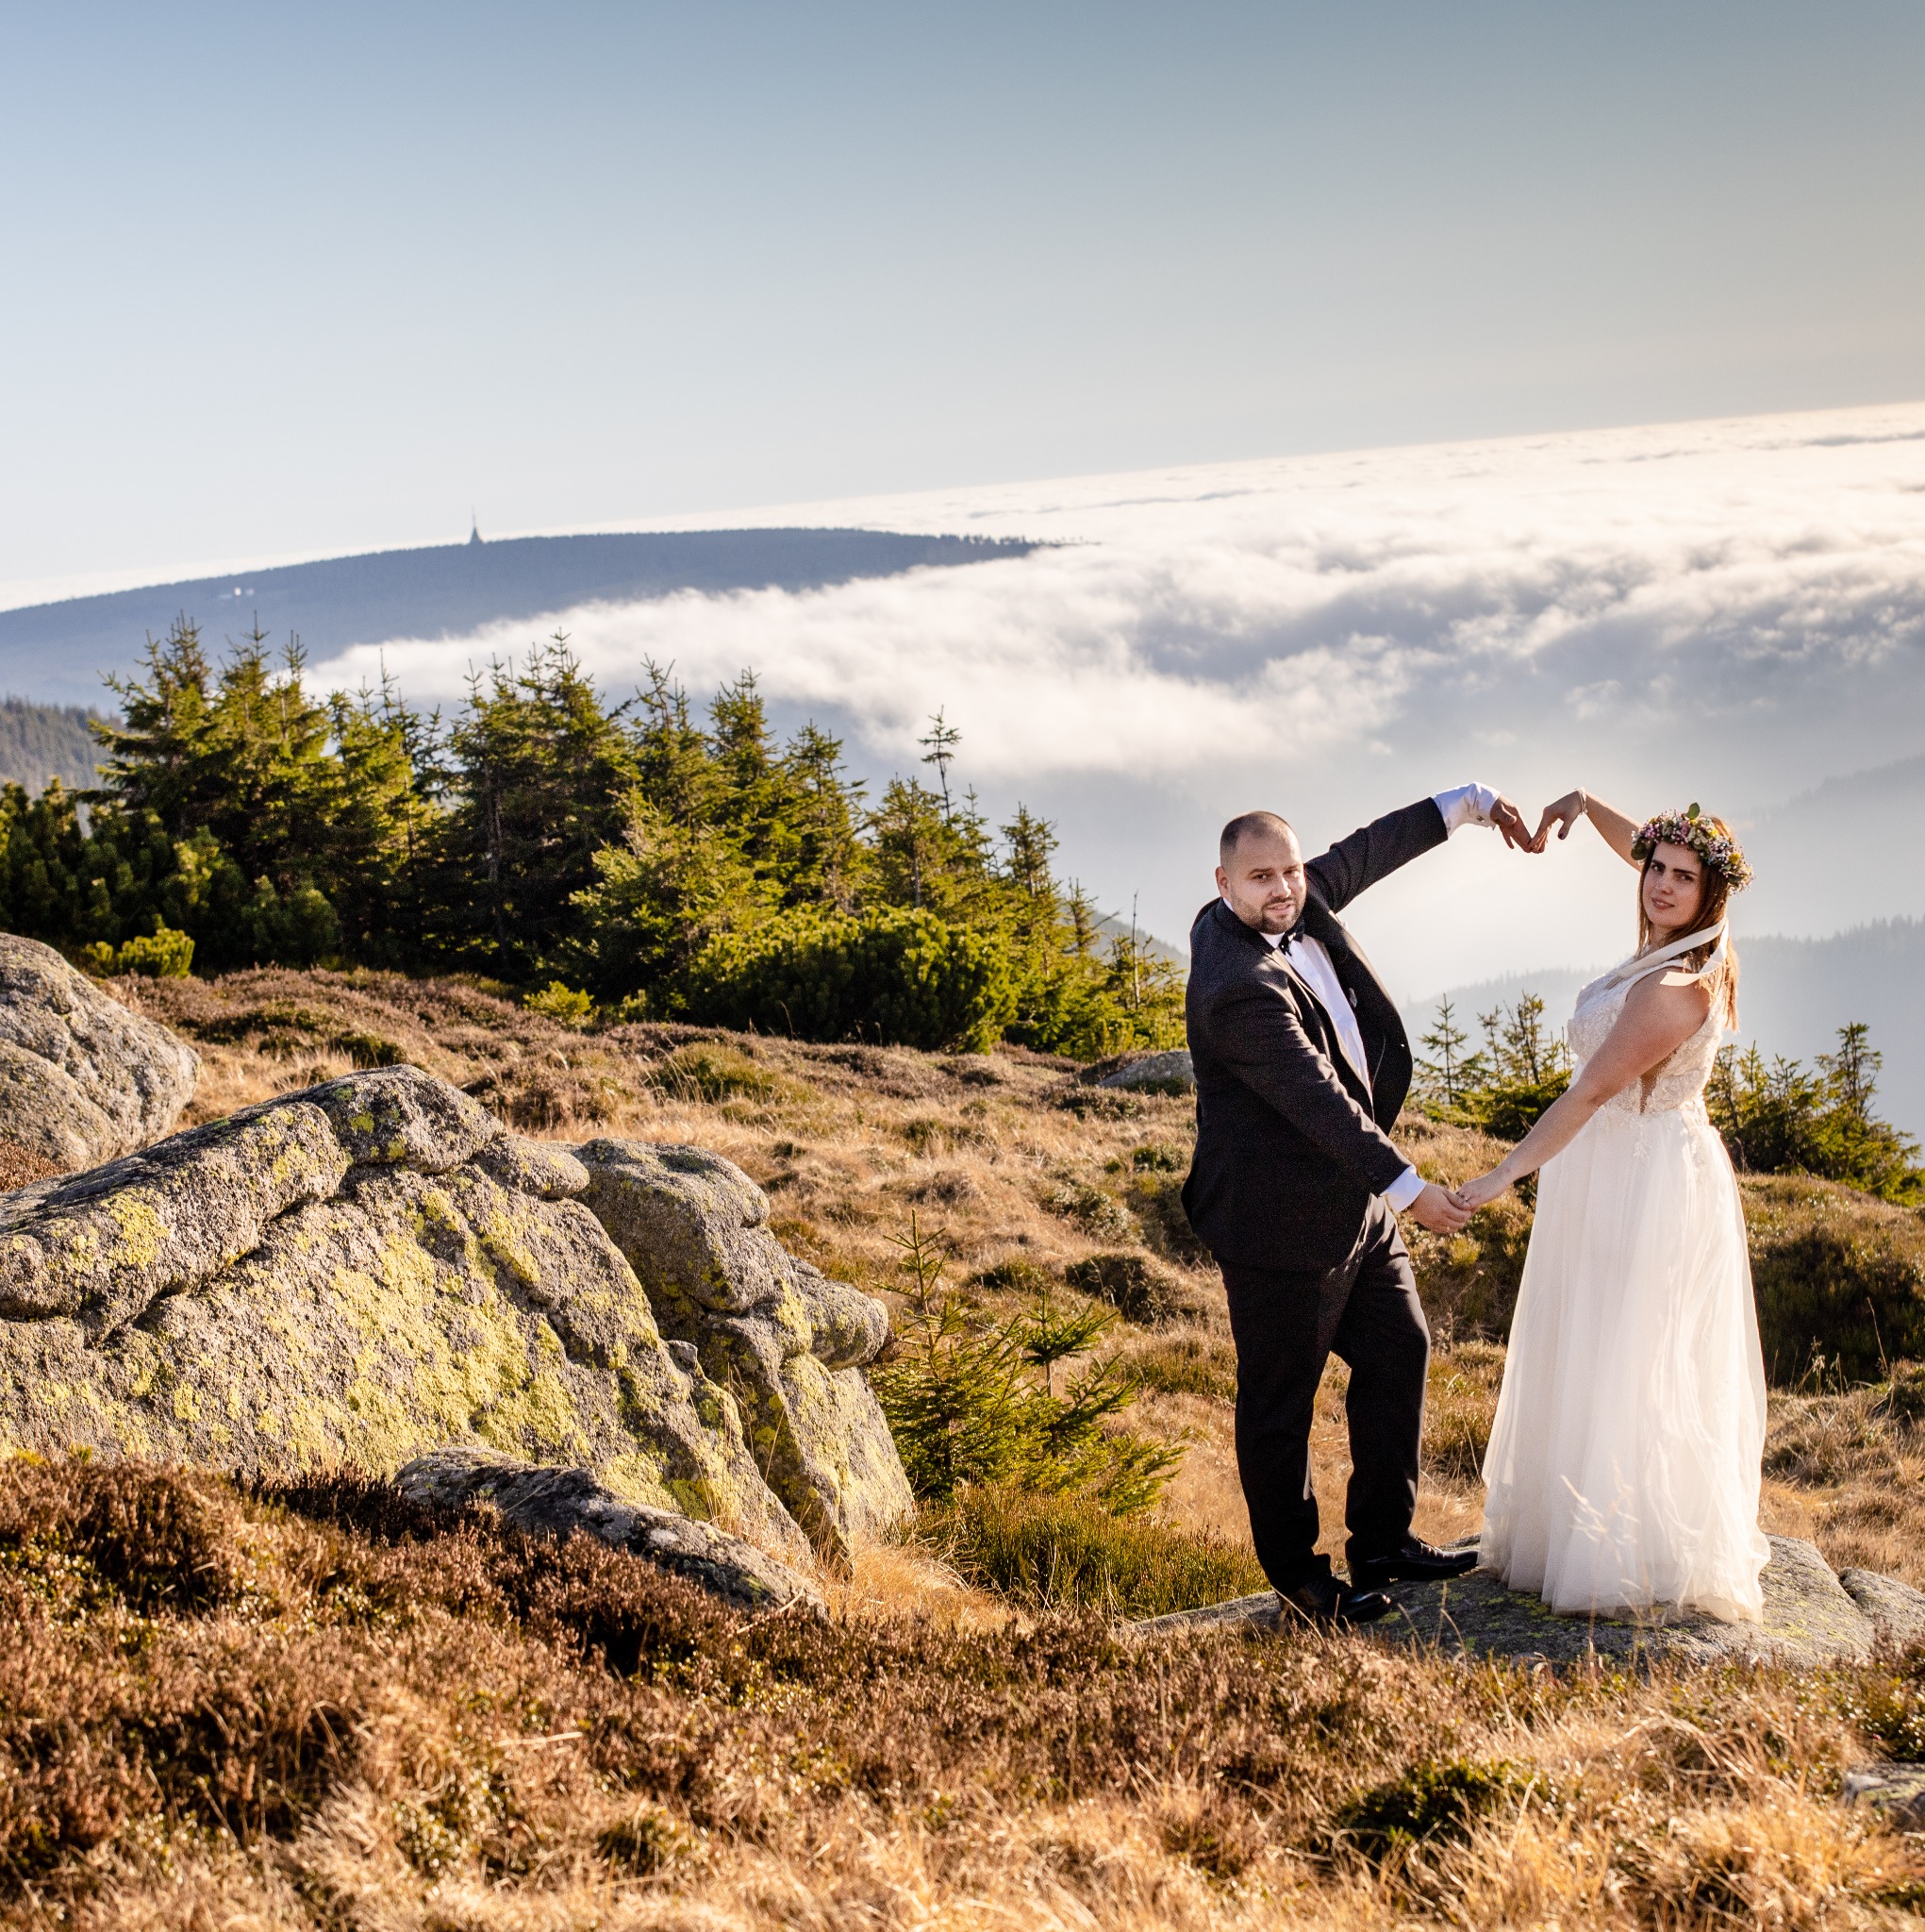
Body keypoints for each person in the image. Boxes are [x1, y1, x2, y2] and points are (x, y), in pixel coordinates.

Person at [1182, 784, 1535, 1625]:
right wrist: (1409, 1191)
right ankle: (1302, 1584)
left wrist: (1472, 803)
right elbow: (1318, 1099)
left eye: (1290, 871)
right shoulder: (1235, 985)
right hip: (1278, 1224)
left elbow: (1366, 850)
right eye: (1260, 877)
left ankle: (1382, 1541)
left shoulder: (1294, 898)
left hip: (1351, 1205)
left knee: (1398, 1348)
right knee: (1280, 1404)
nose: (1283, 888)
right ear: (1224, 884)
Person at [1455, 793, 1769, 1622]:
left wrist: (1504, 1174)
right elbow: (1645, 846)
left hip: (1639, 1177)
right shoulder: (1679, 941)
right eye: (1654, 869)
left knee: (1627, 1349)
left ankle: (1618, 1550)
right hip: (1614, 1165)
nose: (1660, 884)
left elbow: (1591, 1092)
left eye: (1682, 877)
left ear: (1711, 892)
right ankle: (1569, 1526)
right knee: (1593, 1338)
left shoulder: (1675, 985)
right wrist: (1582, 804)